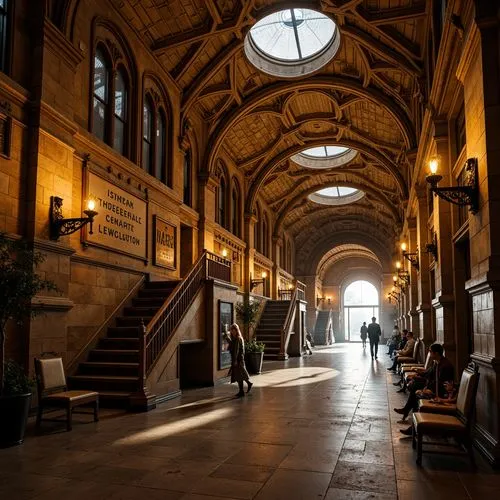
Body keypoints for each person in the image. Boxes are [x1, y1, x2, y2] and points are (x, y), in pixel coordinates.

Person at [394, 343, 454, 422]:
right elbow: (428, 372)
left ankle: (409, 415)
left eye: (430, 351)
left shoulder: (445, 366)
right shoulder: (437, 362)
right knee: (415, 386)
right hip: (433, 385)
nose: (429, 353)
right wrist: (417, 375)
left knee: (416, 389)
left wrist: (425, 389)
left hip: (440, 392)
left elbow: (440, 383)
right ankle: (409, 414)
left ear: (436, 353)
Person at [225, 324, 253, 397]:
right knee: (240, 375)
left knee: (240, 375)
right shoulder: (235, 338)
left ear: (236, 330)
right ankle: (244, 388)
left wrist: (235, 360)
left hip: (238, 360)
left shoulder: (238, 338)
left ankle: (242, 390)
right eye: (231, 330)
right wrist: (227, 338)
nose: (232, 332)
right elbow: (232, 345)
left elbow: (236, 350)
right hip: (238, 359)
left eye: (233, 330)